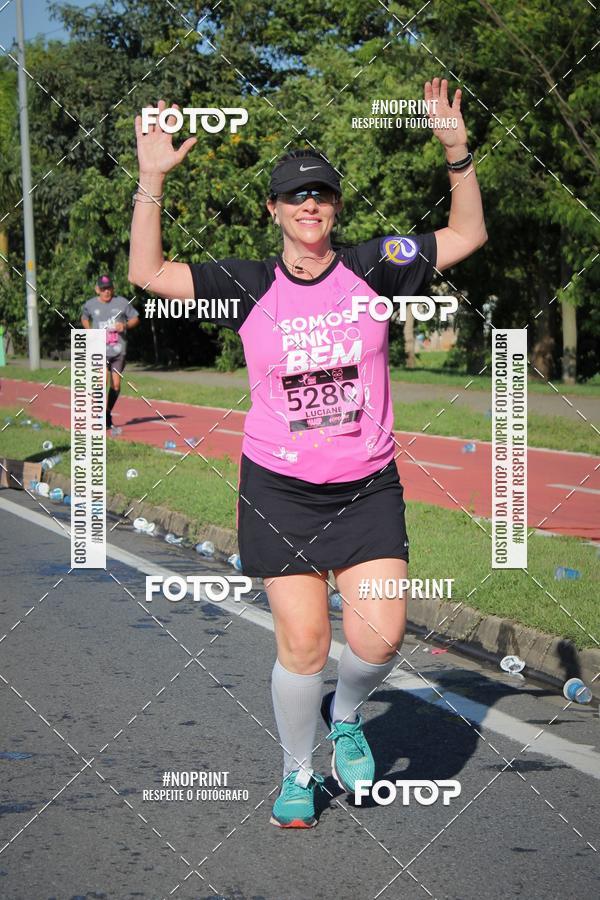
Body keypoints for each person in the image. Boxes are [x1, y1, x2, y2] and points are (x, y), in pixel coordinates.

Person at [128, 80, 487, 828]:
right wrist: (151, 178)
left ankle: (345, 714)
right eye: (295, 196)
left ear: (335, 206)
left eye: (321, 193)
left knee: (379, 637)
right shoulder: (245, 284)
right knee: (305, 641)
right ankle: (298, 772)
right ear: (274, 210)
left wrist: (457, 153)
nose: (310, 205)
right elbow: (149, 275)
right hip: (280, 491)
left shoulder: (377, 265)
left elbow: (465, 236)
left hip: (365, 487)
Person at [80, 275, 140, 429]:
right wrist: (89, 330)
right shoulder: (90, 304)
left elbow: (135, 318)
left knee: (116, 385)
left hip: (118, 351)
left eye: (109, 288)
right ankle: (99, 414)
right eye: (103, 289)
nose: (106, 292)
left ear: (113, 288)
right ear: (97, 290)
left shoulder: (122, 302)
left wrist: (125, 326)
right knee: (101, 381)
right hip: (100, 350)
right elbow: (84, 317)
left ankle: (107, 413)